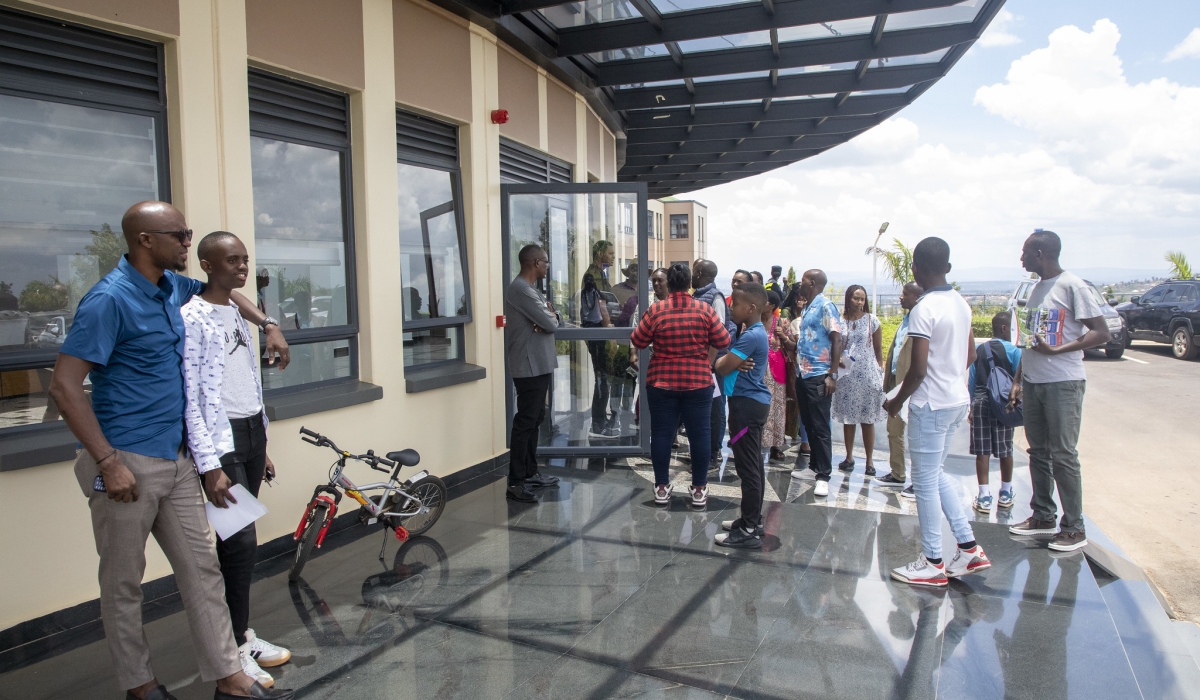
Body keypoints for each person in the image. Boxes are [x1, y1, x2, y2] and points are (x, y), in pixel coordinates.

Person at [48, 201, 293, 700]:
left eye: (188, 233)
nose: (187, 242)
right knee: (124, 584)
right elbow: (64, 387)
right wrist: (107, 462)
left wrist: (269, 324)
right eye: (179, 235)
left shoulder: (170, 287)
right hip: (127, 461)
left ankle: (229, 675)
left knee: (203, 570)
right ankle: (141, 685)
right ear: (145, 240)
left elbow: (225, 291)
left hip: (180, 457)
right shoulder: (109, 300)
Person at [183, 232, 291, 688]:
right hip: (220, 441)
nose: (242, 267)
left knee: (243, 543)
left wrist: (262, 446)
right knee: (239, 542)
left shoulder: (234, 310)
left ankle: (242, 636)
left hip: (250, 433)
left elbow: (244, 382)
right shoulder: (192, 317)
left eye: (245, 259)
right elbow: (191, 397)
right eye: (231, 260)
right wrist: (209, 464)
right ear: (207, 265)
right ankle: (232, 651)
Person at [884, 237, 990, 587]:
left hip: (930, 405)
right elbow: (970, 356)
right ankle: (969, 548)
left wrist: (896, 401)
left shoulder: (923, 308)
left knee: (925, 481)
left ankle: (932, 560)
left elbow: (918, 370)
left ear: (915, 268)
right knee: (935, 473)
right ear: (947, 267)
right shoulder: (961, 303)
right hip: (955, 400)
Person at [1007, 230, 1110, 552]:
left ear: (1040, 254)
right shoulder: (1037, 289)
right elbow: (1029, 340)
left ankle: (1074, 528)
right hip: (1034, 382)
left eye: (1025, 252)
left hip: (1063, 382)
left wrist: (1058, 350)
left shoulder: (1072, 286)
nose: (1021, 258)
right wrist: (1018, 379)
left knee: (1063, 454)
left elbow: (1102, 332)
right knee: (1037, 451)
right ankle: (1042, 516)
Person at [631, 263, 730, 507]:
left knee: (662, 434)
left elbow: (638, 340)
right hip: (698, 381)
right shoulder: (704, 309)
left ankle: (661, 488)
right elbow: (723, 340)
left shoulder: (656, 310)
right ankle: (699, 490)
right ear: (689, 284)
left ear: (670, 284)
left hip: (661, 382)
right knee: (700, 434)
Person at [713, 282, 771, 549]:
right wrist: (731, 360)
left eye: (735, 304)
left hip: (746, 407)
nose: (731, 308)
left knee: (748, 468)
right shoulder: (751, 333)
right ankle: (752, 520)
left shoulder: (751, 337)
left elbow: (722, 367)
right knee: (753, 464)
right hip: (749, 404)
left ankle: (748, 529)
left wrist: (724, 361)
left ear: (751, 307)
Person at [504, 244, 562, 503]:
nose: (548, 266)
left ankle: (530, 473)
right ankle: (516, 481)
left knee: (536, 417)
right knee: (525, 421)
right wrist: (548, 318)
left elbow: (551, 317)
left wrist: (550, 316)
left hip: (539, 364)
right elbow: (550, 322)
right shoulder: (522, 290)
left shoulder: (532, 290)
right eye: (546, 262)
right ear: (536, 263)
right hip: (528, 366)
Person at [788, 269, 842, 498]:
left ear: (811, 283)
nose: (799, 284)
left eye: (802, 280)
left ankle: (824, 476)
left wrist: (832, 374)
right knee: (809, 423)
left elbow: (836, 339)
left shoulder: (826, 306)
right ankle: (813, 467)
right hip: (803, 374)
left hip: (819, 374)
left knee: (820, 427)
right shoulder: (807, 307)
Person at [968, 311, 1022, 514]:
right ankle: (1006, 492)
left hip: (981, 402)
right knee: (1005, 449)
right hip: (1004, 404)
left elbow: (972, 380)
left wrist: (972, 405)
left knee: (982, 450)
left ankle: (983, 496)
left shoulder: (980, 349)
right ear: (1004, 328)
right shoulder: (1014, 351)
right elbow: (1019, 380)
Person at [832, 285, 887, 476]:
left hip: (867, 375)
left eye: (862, 299)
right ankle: (849, 457)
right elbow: (836, 346)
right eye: (856, 298)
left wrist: (880, 371)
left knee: (867, 419)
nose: (859, 302)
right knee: (848, 419)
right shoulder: (840, 322)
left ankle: (869, 461)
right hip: (847, 376)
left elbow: (878, 350)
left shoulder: (872, 321)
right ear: (848, 299)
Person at [876, 281, 923, 495]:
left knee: (916, 435)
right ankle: (897, 473)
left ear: (917, 297)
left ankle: (919, 481)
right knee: (894, 431)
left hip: (913, 384)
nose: (900, 297)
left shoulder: (922, 321)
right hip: (896, 381)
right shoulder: (905, 319)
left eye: (905, 294)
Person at [692, 260, 737, 464]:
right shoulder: (697, 295)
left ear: (699, 273)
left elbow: (717, 334)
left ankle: (714, 450)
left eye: (694, 271)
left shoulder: (715, 297)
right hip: (702, 362)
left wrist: (709, 363)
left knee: (715, 407)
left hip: (712, 364)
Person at [582, 240, 616, 438]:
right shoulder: (593, 275)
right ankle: (598, 424)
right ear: (600, 253)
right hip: (597, 331)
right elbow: (601, 305)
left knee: (604, 377)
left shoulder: (600, 273)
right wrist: (610, 332)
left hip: (598, 330)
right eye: (610, 253)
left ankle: (601, 419)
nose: (613, 256)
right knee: (602, 377)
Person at [762, 290, 789, 462]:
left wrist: (783, 336)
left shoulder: (782, 322)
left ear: (771, 305)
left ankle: (776, 445)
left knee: (777, 406)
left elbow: (793, 345)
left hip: (776, 371)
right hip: (758, 371)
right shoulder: (752, 321)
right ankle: (759, 441)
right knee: (762, 407)